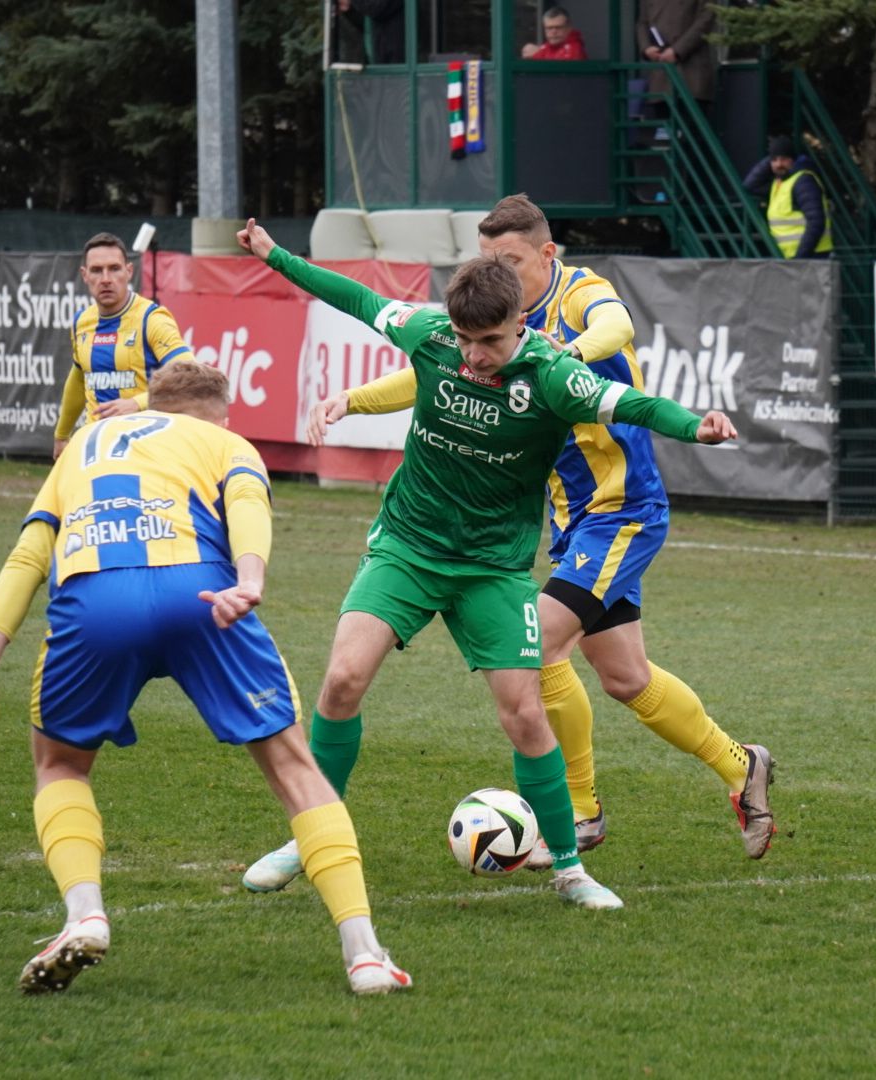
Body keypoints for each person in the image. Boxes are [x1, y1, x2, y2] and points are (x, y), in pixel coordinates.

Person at [243, 194, 775, 894]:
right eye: (488, 259)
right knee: (624, 676)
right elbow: (370, 310)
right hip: (485, 529)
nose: (475, 354)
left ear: (537, 270)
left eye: (510, 261)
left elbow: (622, 361)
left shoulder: (571, 316)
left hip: (609, 514)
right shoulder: (453, 332)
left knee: (542, 662)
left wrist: (683, 420)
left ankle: (577, 826)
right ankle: (740, 764)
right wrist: (283, 271)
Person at [0, 361, 411, 997]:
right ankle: (364, 954)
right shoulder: (226, 442)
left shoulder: (85, 444)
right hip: (204, 596)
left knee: (61, 765)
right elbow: (246, 505)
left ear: (153, 403)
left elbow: (30, 553)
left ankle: (85, 915)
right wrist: (250, 581)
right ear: (221, 414)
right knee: (296, 771)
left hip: (97, 600)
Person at [53, 232, 192, 461]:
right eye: (97, 270)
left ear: (129, 271)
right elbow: (79, 377)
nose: (106, 278)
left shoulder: (152, 319)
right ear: (84, 275)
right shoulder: (81, 322)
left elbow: (189, 376)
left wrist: (137, 403)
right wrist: (61, 434)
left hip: (146, 449)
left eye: (114, 269)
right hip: (97, 448)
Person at [741, 136, 834, 259]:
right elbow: (749, 185)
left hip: (809, 257)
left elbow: (816, 222)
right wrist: (770, 158)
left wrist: (800, 258)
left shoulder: (803, 181)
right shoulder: (779, 183)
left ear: (793, 160)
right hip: (792, 258)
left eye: (784, 159)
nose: (779, 164)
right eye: (774, 160)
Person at [636, 0, 716, 112]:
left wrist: (678, 50)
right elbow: (642, 22)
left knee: (689, 118)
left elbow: (706, 20)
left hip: (691, 76)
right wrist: (646, 48)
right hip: (660, 78)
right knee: (663, 117)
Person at [338, 0, 405, 65]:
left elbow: (375, 8)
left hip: (398, 59)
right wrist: (349, 10)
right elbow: (367, 24)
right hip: (382, 55)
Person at [522, 6, 587, 60]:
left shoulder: (574, 49)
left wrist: (537, 55)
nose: (553, 32)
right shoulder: (546, 47)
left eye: (558, 27)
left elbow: (560, 70)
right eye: (549, 28)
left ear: (569, 28)